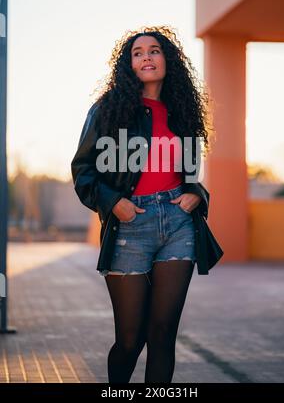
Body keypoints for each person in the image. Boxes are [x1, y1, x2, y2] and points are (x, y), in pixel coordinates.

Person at [71, 25, 213, 383]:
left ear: (168, 60)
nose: (146, 57)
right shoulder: (108, 110)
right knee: (130, 340)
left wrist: (197, 194)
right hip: (130, 223)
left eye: (154, 50)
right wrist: (114, 202)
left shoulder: (183, 112)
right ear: (129, 64)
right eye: (138, 52)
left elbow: (191, 174)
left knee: (163, 335)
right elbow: (84, 170)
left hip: (178, 223)